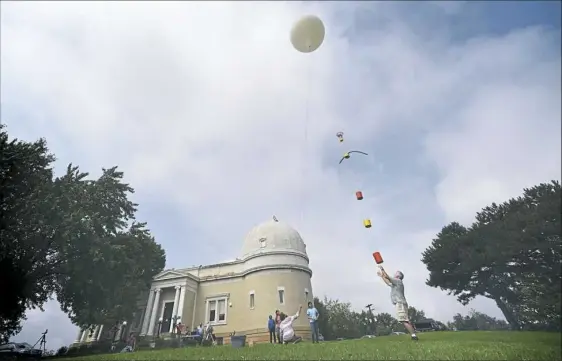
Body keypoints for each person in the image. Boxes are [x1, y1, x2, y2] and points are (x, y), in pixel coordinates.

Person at [377, 266, 418, 341]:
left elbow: (387, 277)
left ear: (399, 276)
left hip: (400, 303)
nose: (395, 273)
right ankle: (414, 333)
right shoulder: (395, 283)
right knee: (405, 319)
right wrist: (381, 276)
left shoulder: (398, 281)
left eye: (396, 273)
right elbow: (388, 282)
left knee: (403, 320)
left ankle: (414, 335)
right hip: (401, 303)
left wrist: (382, 269)